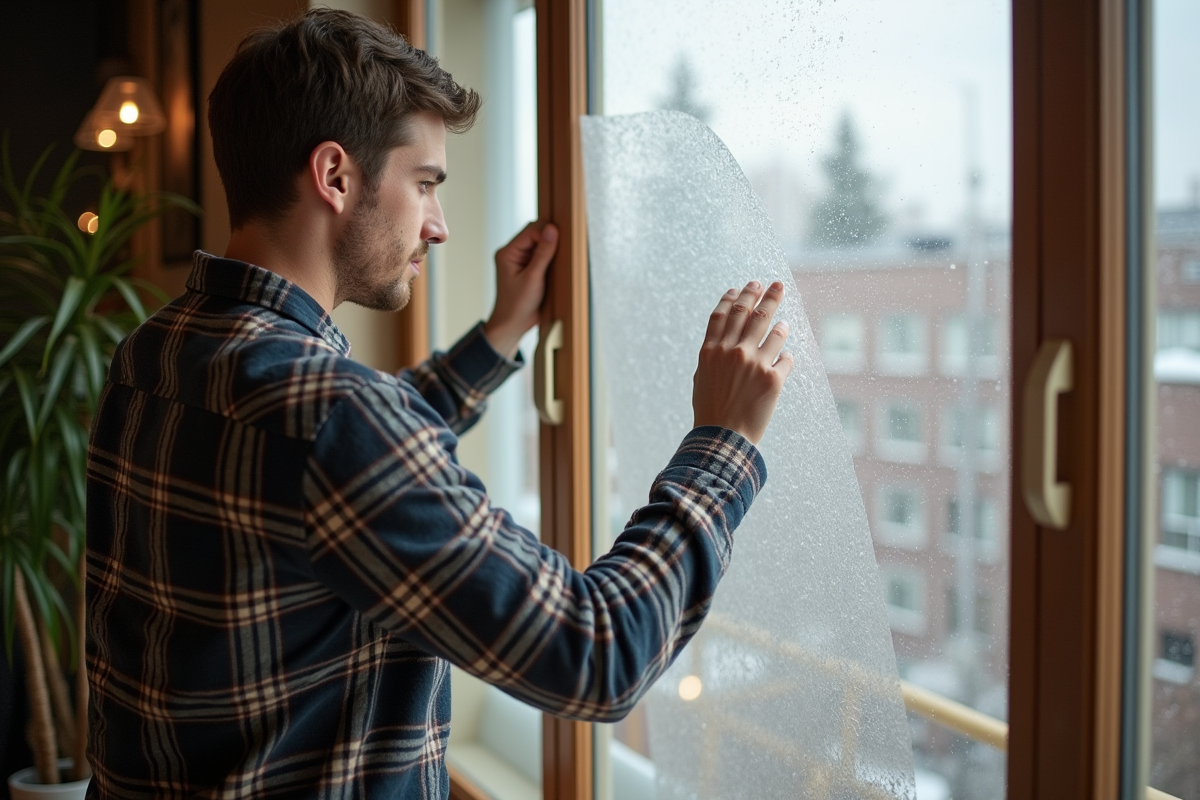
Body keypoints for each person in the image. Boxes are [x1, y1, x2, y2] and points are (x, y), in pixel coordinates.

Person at [84, 8, 793, 798]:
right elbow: (600, 654)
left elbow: (331, 469)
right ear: (335, 176)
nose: (440, 226)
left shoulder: (156, 350)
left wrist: (494, 339)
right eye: (424, 184)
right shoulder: (334, 421)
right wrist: (723, 442)